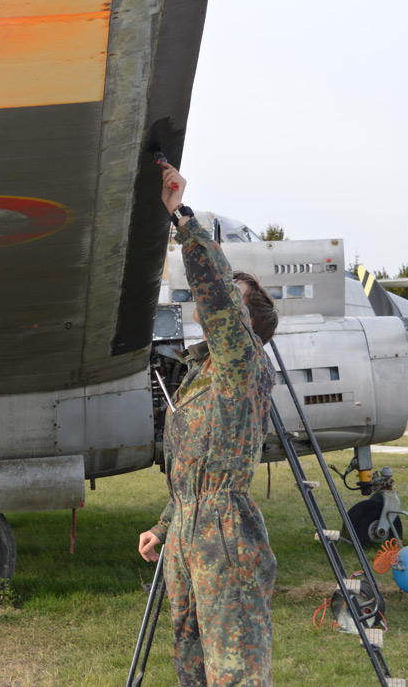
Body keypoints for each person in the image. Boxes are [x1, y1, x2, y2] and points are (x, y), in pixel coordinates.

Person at [136, 163, 279, 686]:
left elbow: (217, 296)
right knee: (191, 659)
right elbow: (194, 473)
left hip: (225, 537)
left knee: (234, 669)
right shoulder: (204, 376)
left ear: (246, 323)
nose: (209, 300)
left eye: (227, 298)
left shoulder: (243, 366)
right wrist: (164, 526)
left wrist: (183, 219)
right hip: (190, 532)